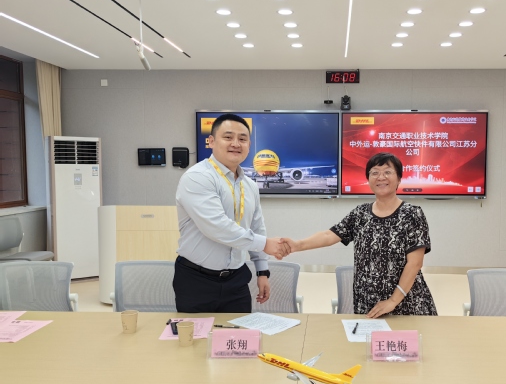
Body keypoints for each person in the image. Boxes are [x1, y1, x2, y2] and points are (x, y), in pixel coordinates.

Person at [283, 152, 437, 318]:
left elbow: (415, 263)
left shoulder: (412, 214)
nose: (381, 177)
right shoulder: (360, 213)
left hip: (407, 304)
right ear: (368, 179)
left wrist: (393, 301)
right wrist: (297, 245)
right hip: (368, 304)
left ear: (399, 178)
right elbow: (329, 235)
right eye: (375, 172)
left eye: (387, 172)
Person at [173, 113, 288, 313]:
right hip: (196, 280)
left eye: (242, 139)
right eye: (228, 137)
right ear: (211, 141)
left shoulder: (250, 185)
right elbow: (217, 227)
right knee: (197, 333)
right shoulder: (197, 177)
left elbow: (257, 227)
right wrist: (265, 244)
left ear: (249, 145)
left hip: (236, 280)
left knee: (239, 331)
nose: (236, 143)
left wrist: (262, 271)